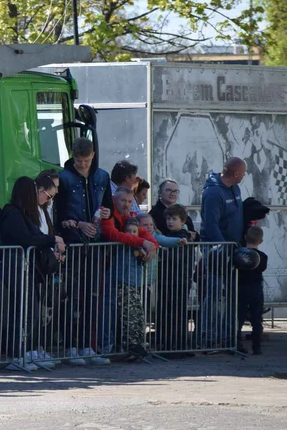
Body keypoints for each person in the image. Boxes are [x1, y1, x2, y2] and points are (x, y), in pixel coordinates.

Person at [53, 138, 111, 366]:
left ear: (93, 155)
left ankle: (88, 345)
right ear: (72, 157)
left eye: (87, 160)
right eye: (79, 161)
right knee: (71, 296)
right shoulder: (64, 178)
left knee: (91, 296)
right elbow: (58, 213)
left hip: (95, 242)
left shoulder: (102, 176)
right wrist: (76, 224)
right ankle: (70, 346)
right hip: (73, 241)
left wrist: (105, 213)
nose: (83, 165)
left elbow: (108, 206)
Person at [0, 176, 64, 370]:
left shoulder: (24, 214)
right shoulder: (12, 213)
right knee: (21, 311)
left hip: (27, 268)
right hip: (16, 267)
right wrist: (52, 240)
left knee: (31, 312)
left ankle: (27, 351)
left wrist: (51, 239)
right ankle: (16, 355)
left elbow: (36, 235)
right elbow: (25, 238)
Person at [98, 188, 158, 359]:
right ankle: (110, 347)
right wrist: (143, 242)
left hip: (124, 275)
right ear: (114, 199)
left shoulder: (128, 215)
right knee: (113, 310)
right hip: (109, 270)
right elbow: (111, 233)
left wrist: (150, 245)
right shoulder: (108, 211)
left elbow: (145, 234)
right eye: (123, 200)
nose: (126, 204)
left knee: (132, 311)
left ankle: (127, 347)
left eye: (129, 201)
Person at [198, 157, 247, 349]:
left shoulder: (235, 188)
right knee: (215, 293)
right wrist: (222, 248)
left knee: (233, 294)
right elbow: (211, 224)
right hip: (216, 250)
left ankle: (230, 337)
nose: (244, 175)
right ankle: (208, 337)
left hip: (234, 248)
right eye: (243, 172)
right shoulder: (213, 193)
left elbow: (237, 214)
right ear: (235, 173)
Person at [146, 206, 192, 352]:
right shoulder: (168, 234)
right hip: (167, 280)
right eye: (168, 219)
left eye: (174, 219)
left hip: (179, 280)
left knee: (176, 313)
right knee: (165, 312)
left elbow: (178, 258)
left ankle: (177, 345)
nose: (170, 222)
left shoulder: (182, 237)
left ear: (182, 221)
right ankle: (166, 343)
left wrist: (160, 254)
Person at [238, 226, 267, 355]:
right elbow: (262, 269)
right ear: (261, 241)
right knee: (256, 318)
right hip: (256, 289)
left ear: (245, 238)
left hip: (241, 288)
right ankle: (257, 346)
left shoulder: (239, 254)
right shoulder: (263, 257)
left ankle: (237, 344)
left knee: (239, 317)